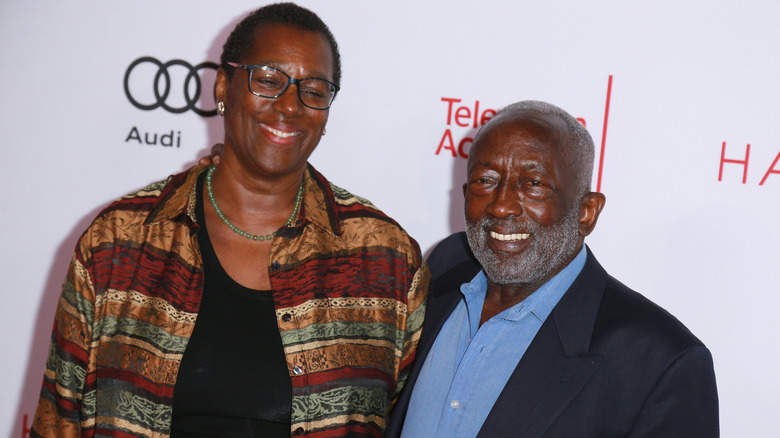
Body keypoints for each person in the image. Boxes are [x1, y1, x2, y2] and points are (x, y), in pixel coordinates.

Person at [31, 3, 427, 437]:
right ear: (223, 86)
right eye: (269, 80)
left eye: (313, 90)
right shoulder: (118, 242)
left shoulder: (385, 260)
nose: (291, 106)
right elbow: (57, 419)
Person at [385, 100, 719, 438]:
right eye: (486, 180)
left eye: (533, 184)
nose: (501, 206)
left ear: (587, 212)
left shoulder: (660, 363)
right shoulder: (443, 266)